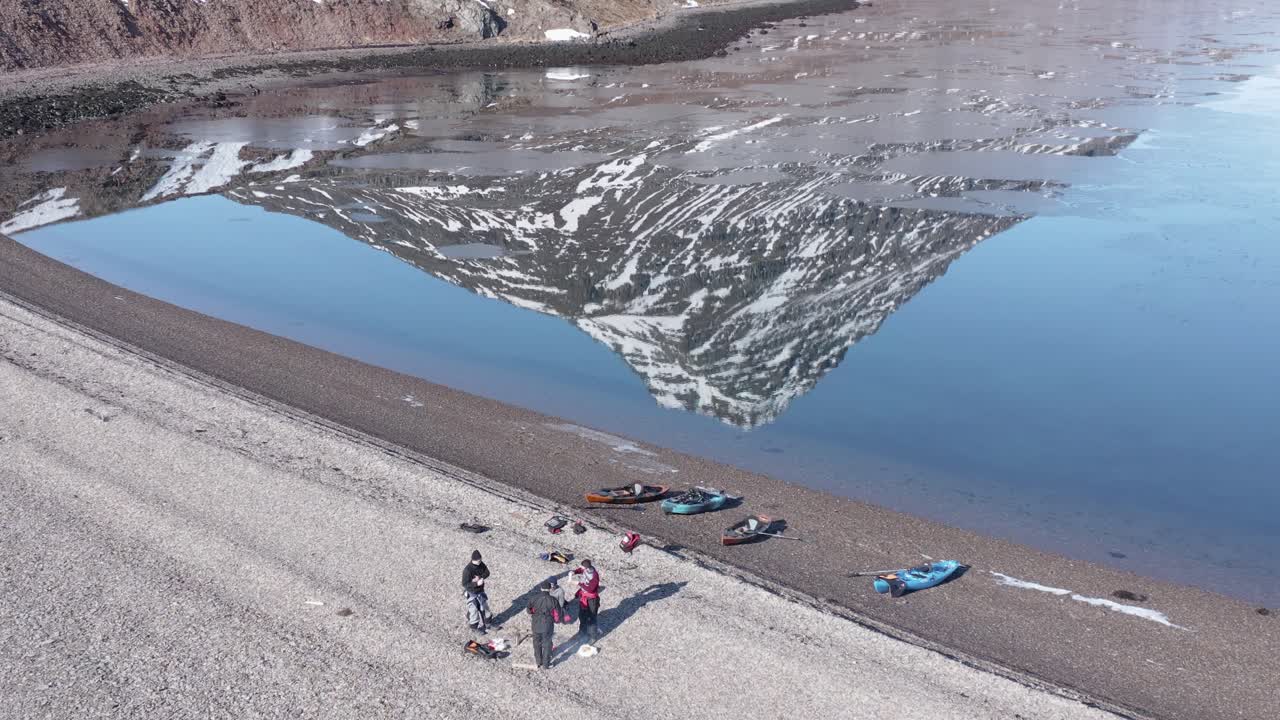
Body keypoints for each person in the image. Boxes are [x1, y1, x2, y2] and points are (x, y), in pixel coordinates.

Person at [527, 579, 561, 669]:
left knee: (536, 642)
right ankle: (546, 664)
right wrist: (556, 621)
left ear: (541, 588)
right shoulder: (553, 600)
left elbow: (529, 610)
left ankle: (538, 661)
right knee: (547, 643)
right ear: (550, 589)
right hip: (548, 624)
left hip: (535, 623)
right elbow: (557, 614)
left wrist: (535, 612)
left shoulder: (533, 598)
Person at [572, 559, 601, 643]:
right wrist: (574, 572)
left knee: (591, 618)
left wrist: (578, 583)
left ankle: (593, 637)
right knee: (582, 615)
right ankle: (582, 632)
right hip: (583, 597)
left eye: (582, 567)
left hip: (592, 600)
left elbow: (591, 589)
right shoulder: (586, 570)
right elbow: (580, 569)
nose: (581, 568)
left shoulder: (594, 576)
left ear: (587, 568)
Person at [462, 550, 491, 634]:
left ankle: (488, 623)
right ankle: (474, 628)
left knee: (485, 607)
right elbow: (465, 584)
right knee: (474, 610)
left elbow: (487, 572)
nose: (480, 562)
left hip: (480, 591)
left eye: (480, 560)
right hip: (472, 593)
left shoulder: (481, 564)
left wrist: (481, 578)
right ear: (473, 560)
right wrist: (476, 583)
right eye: (478, 560)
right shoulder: (467, 570)